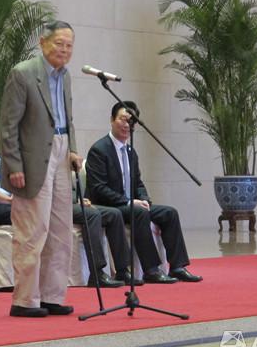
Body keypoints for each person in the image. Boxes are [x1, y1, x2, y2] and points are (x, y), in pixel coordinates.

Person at [0, 114, 128, 288]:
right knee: (86, 214)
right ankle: (96, 274)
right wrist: (13, 200)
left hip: (11, 202)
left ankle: (123, 271)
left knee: (112, 214)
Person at [0, 20, 82, 317]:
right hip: (31, 158)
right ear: (42, 42)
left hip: (61, 152)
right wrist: (13, 164)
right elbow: (8, 125)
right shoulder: (23, 73)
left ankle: (52, 296)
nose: (64, 50)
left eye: (69, 45)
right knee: (33, 230)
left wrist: (72, 148)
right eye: (59, 43)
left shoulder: (66, 75)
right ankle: (25, 300)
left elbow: (67, 118)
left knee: (61, 230)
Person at [86, 101, 203, 284]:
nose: (126, 125)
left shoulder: (131, 151)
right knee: (139, 212)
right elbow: (99, 189)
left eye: (131, 122)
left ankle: (178, 266)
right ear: (111, 120)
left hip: (130, 203)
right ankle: (151, 270)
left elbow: (138, 182)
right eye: (123, 119)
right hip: (109, 206)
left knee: (169, 213)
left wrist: (144, 198)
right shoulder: (99, 150)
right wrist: (128, 202)